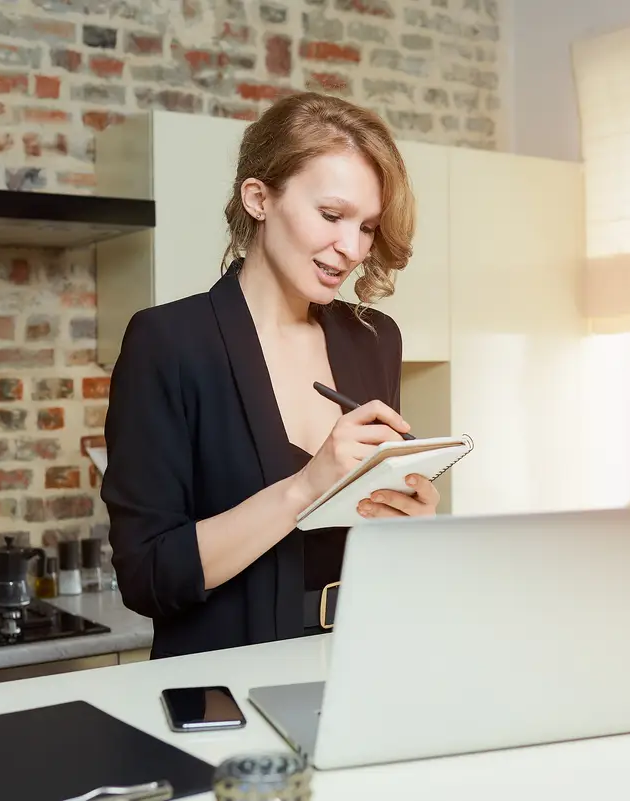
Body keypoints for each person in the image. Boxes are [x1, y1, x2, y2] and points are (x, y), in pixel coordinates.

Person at [101, 92, 441, 659]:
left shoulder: (374, 340)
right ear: (258, 198)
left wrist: (407, 523)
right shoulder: (170, 343)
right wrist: (306, 488)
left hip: (360, 662)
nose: (351, 248)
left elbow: (366, 547)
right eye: (331, 216)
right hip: (219, 686)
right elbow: (148, 576)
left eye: (367, 227)